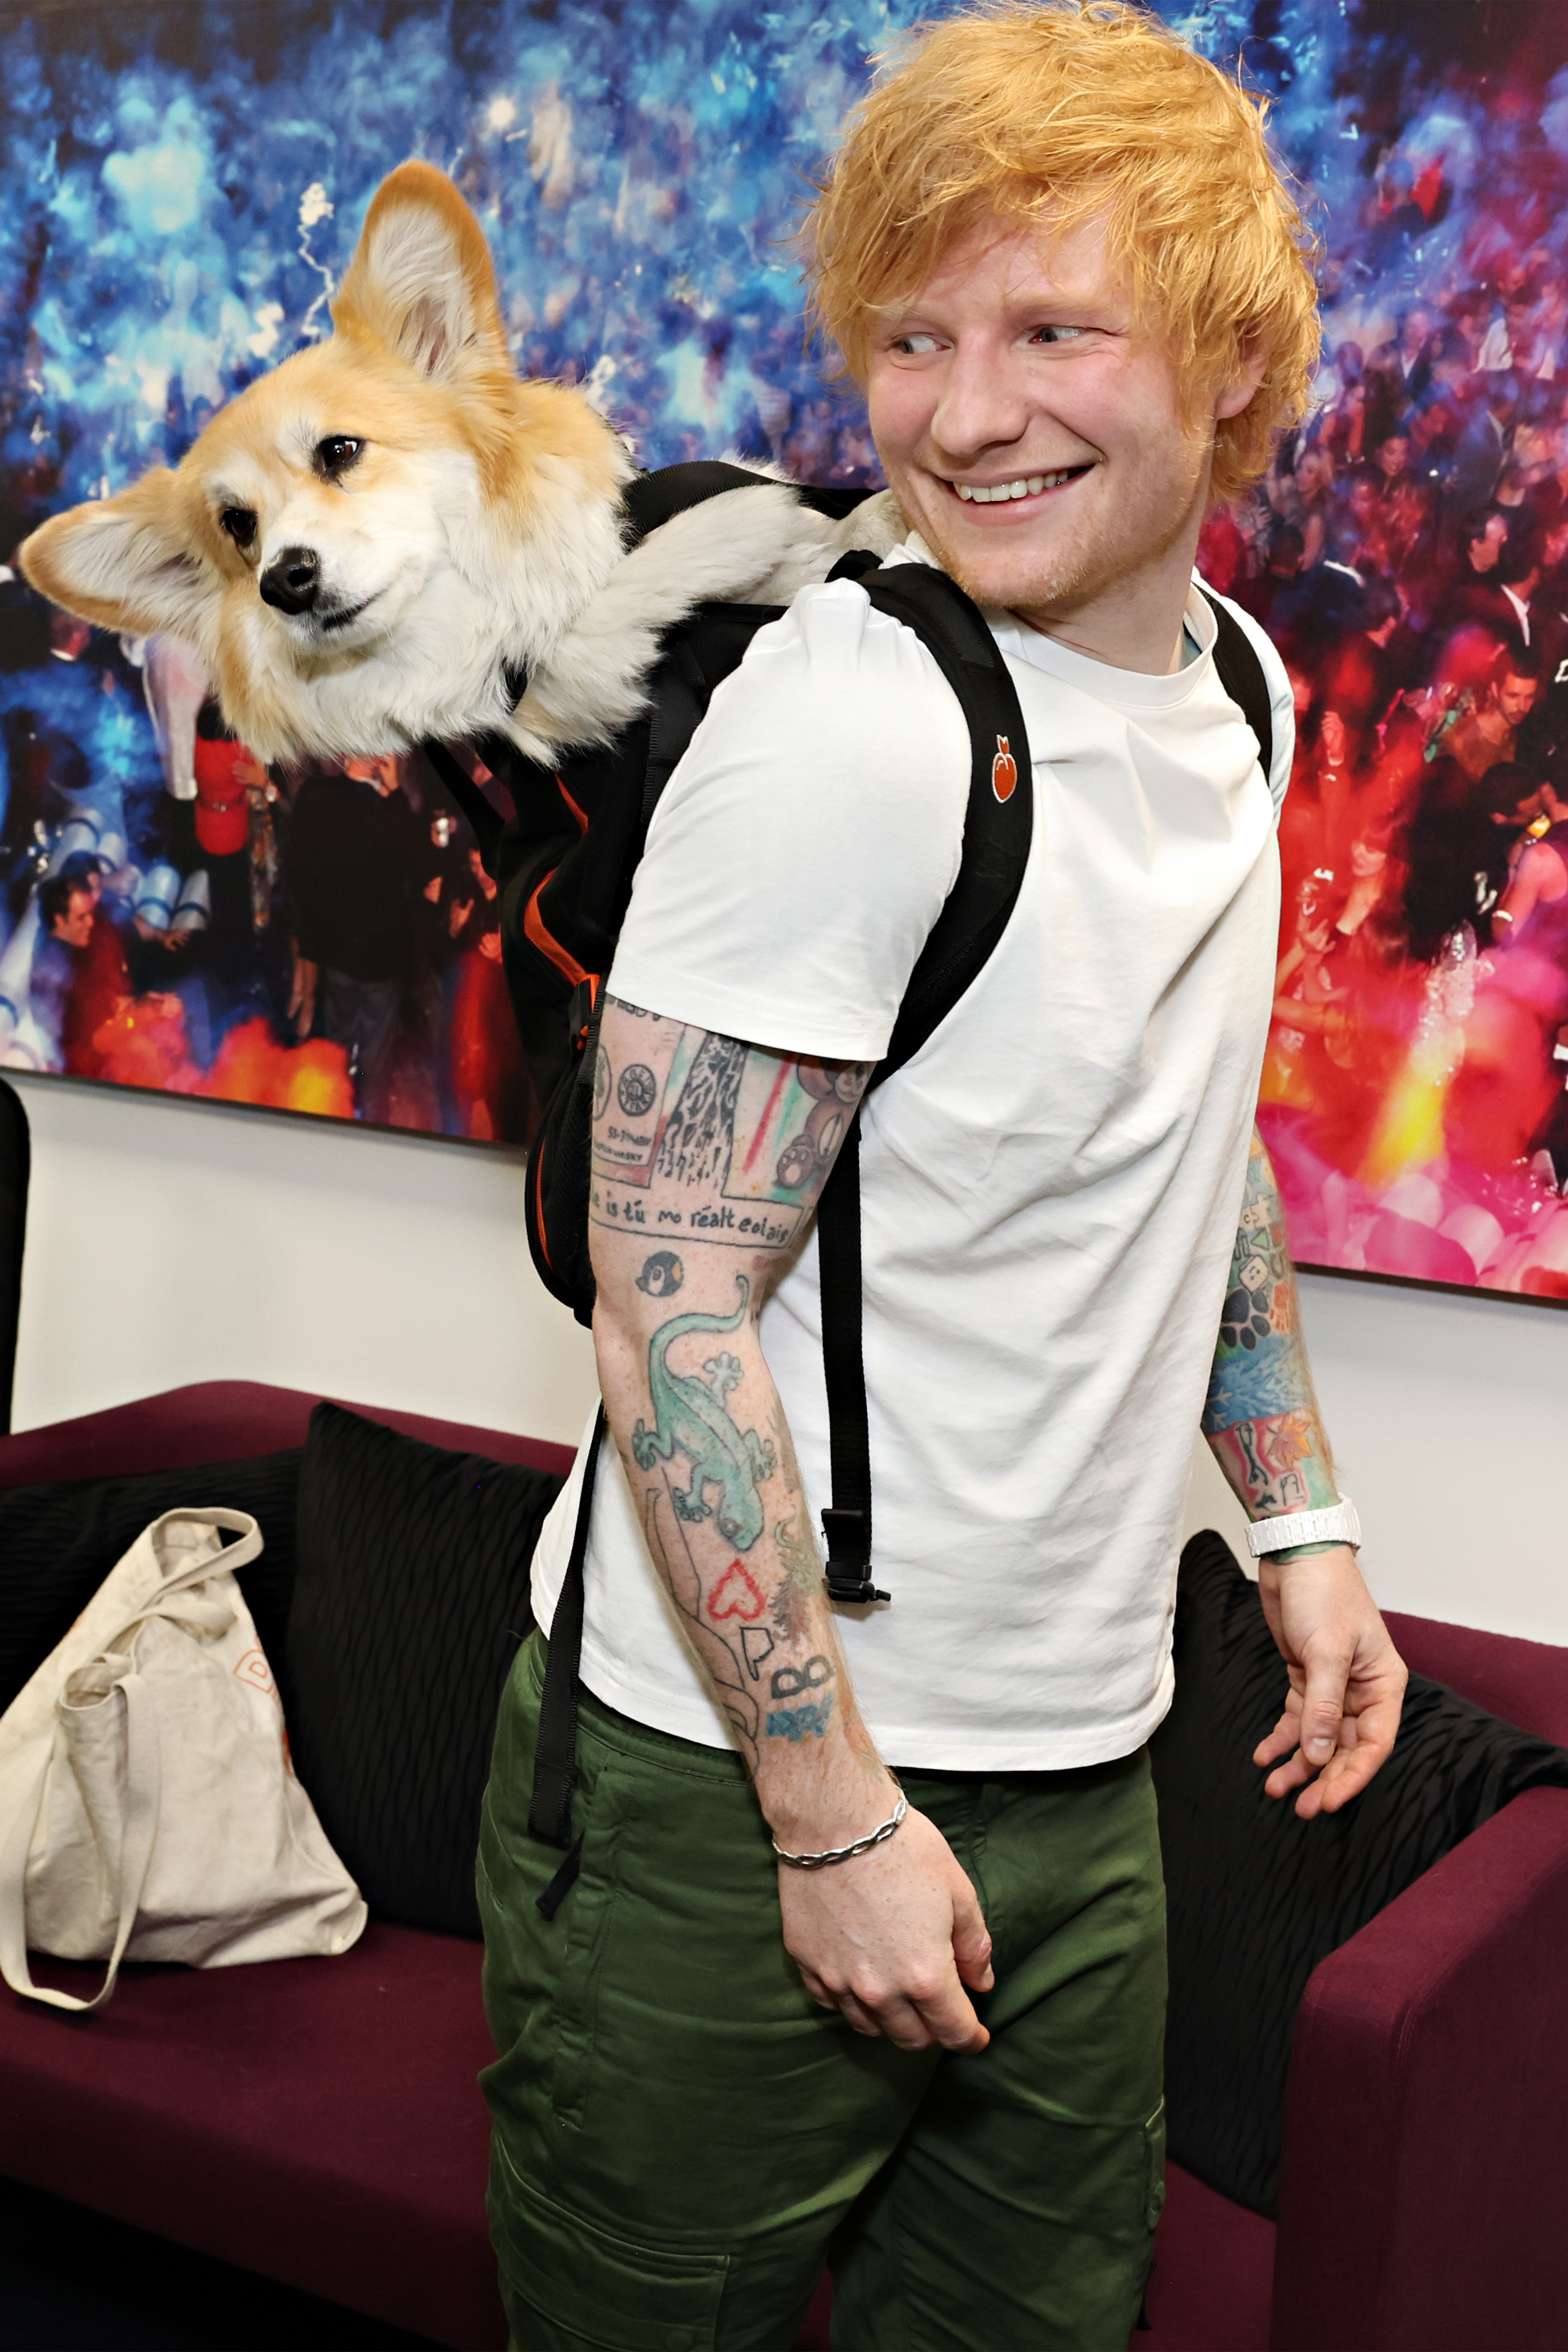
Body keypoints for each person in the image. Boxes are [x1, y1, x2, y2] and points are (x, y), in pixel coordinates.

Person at [478, 9, 1408, 2347]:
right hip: (738, 1780)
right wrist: (828, 1817)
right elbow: (662, 1299)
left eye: (1053, 330)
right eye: (913, 339)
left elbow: (1173, 1151)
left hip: (1088, 1759)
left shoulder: (1238, 690)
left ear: (1224, 358)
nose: (968, 413)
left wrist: (1297, 1523)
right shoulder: (858, 728)